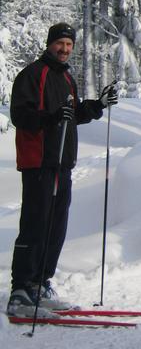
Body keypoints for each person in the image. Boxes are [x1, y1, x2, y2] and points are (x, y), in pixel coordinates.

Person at [7, 22, 118, 317]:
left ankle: (41, 283)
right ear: (49, 44)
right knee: (36, 224)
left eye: (69, 45)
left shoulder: (67, 79)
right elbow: (21, 115)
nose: (65, 49)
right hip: (39, 161)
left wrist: (98, 105)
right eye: (60, 44)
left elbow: (74, 114)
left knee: (56, 227)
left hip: (63, 163)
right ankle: (21, 289)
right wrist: (51, 117)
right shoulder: (33, 75)